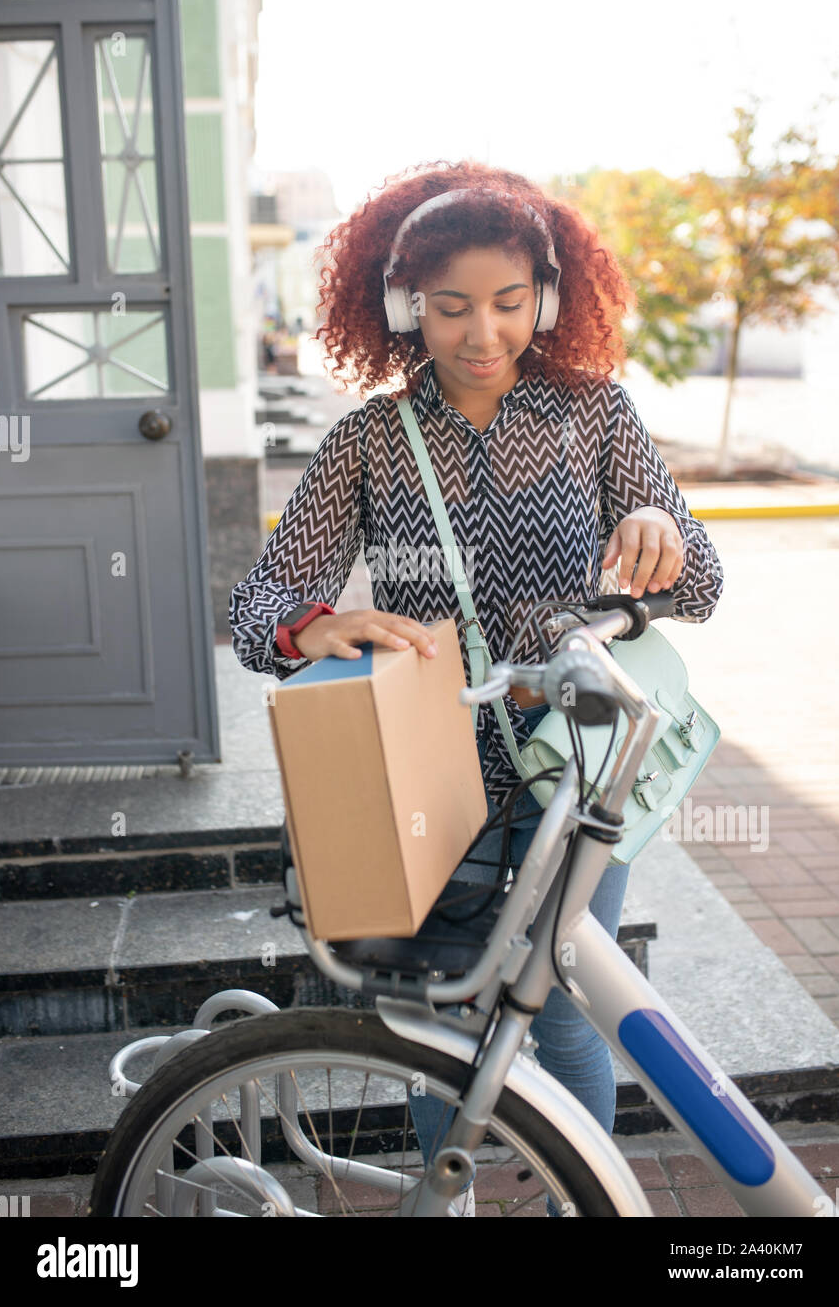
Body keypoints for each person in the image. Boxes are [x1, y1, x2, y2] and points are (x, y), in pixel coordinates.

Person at [229, 159, 724, 1215]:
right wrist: (317, 620)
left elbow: (703, 577)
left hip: (572, 774)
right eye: (450, 308)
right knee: (433, 1023)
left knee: (559, 1012)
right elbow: (257, 603)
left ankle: (575, 1203)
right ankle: (443, 1206)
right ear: (407, 306)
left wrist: (655, 543)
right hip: (432, 777)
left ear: (544, 299)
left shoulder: (594, 415)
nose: (480, 333)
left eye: (506, 304)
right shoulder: (369, 440)